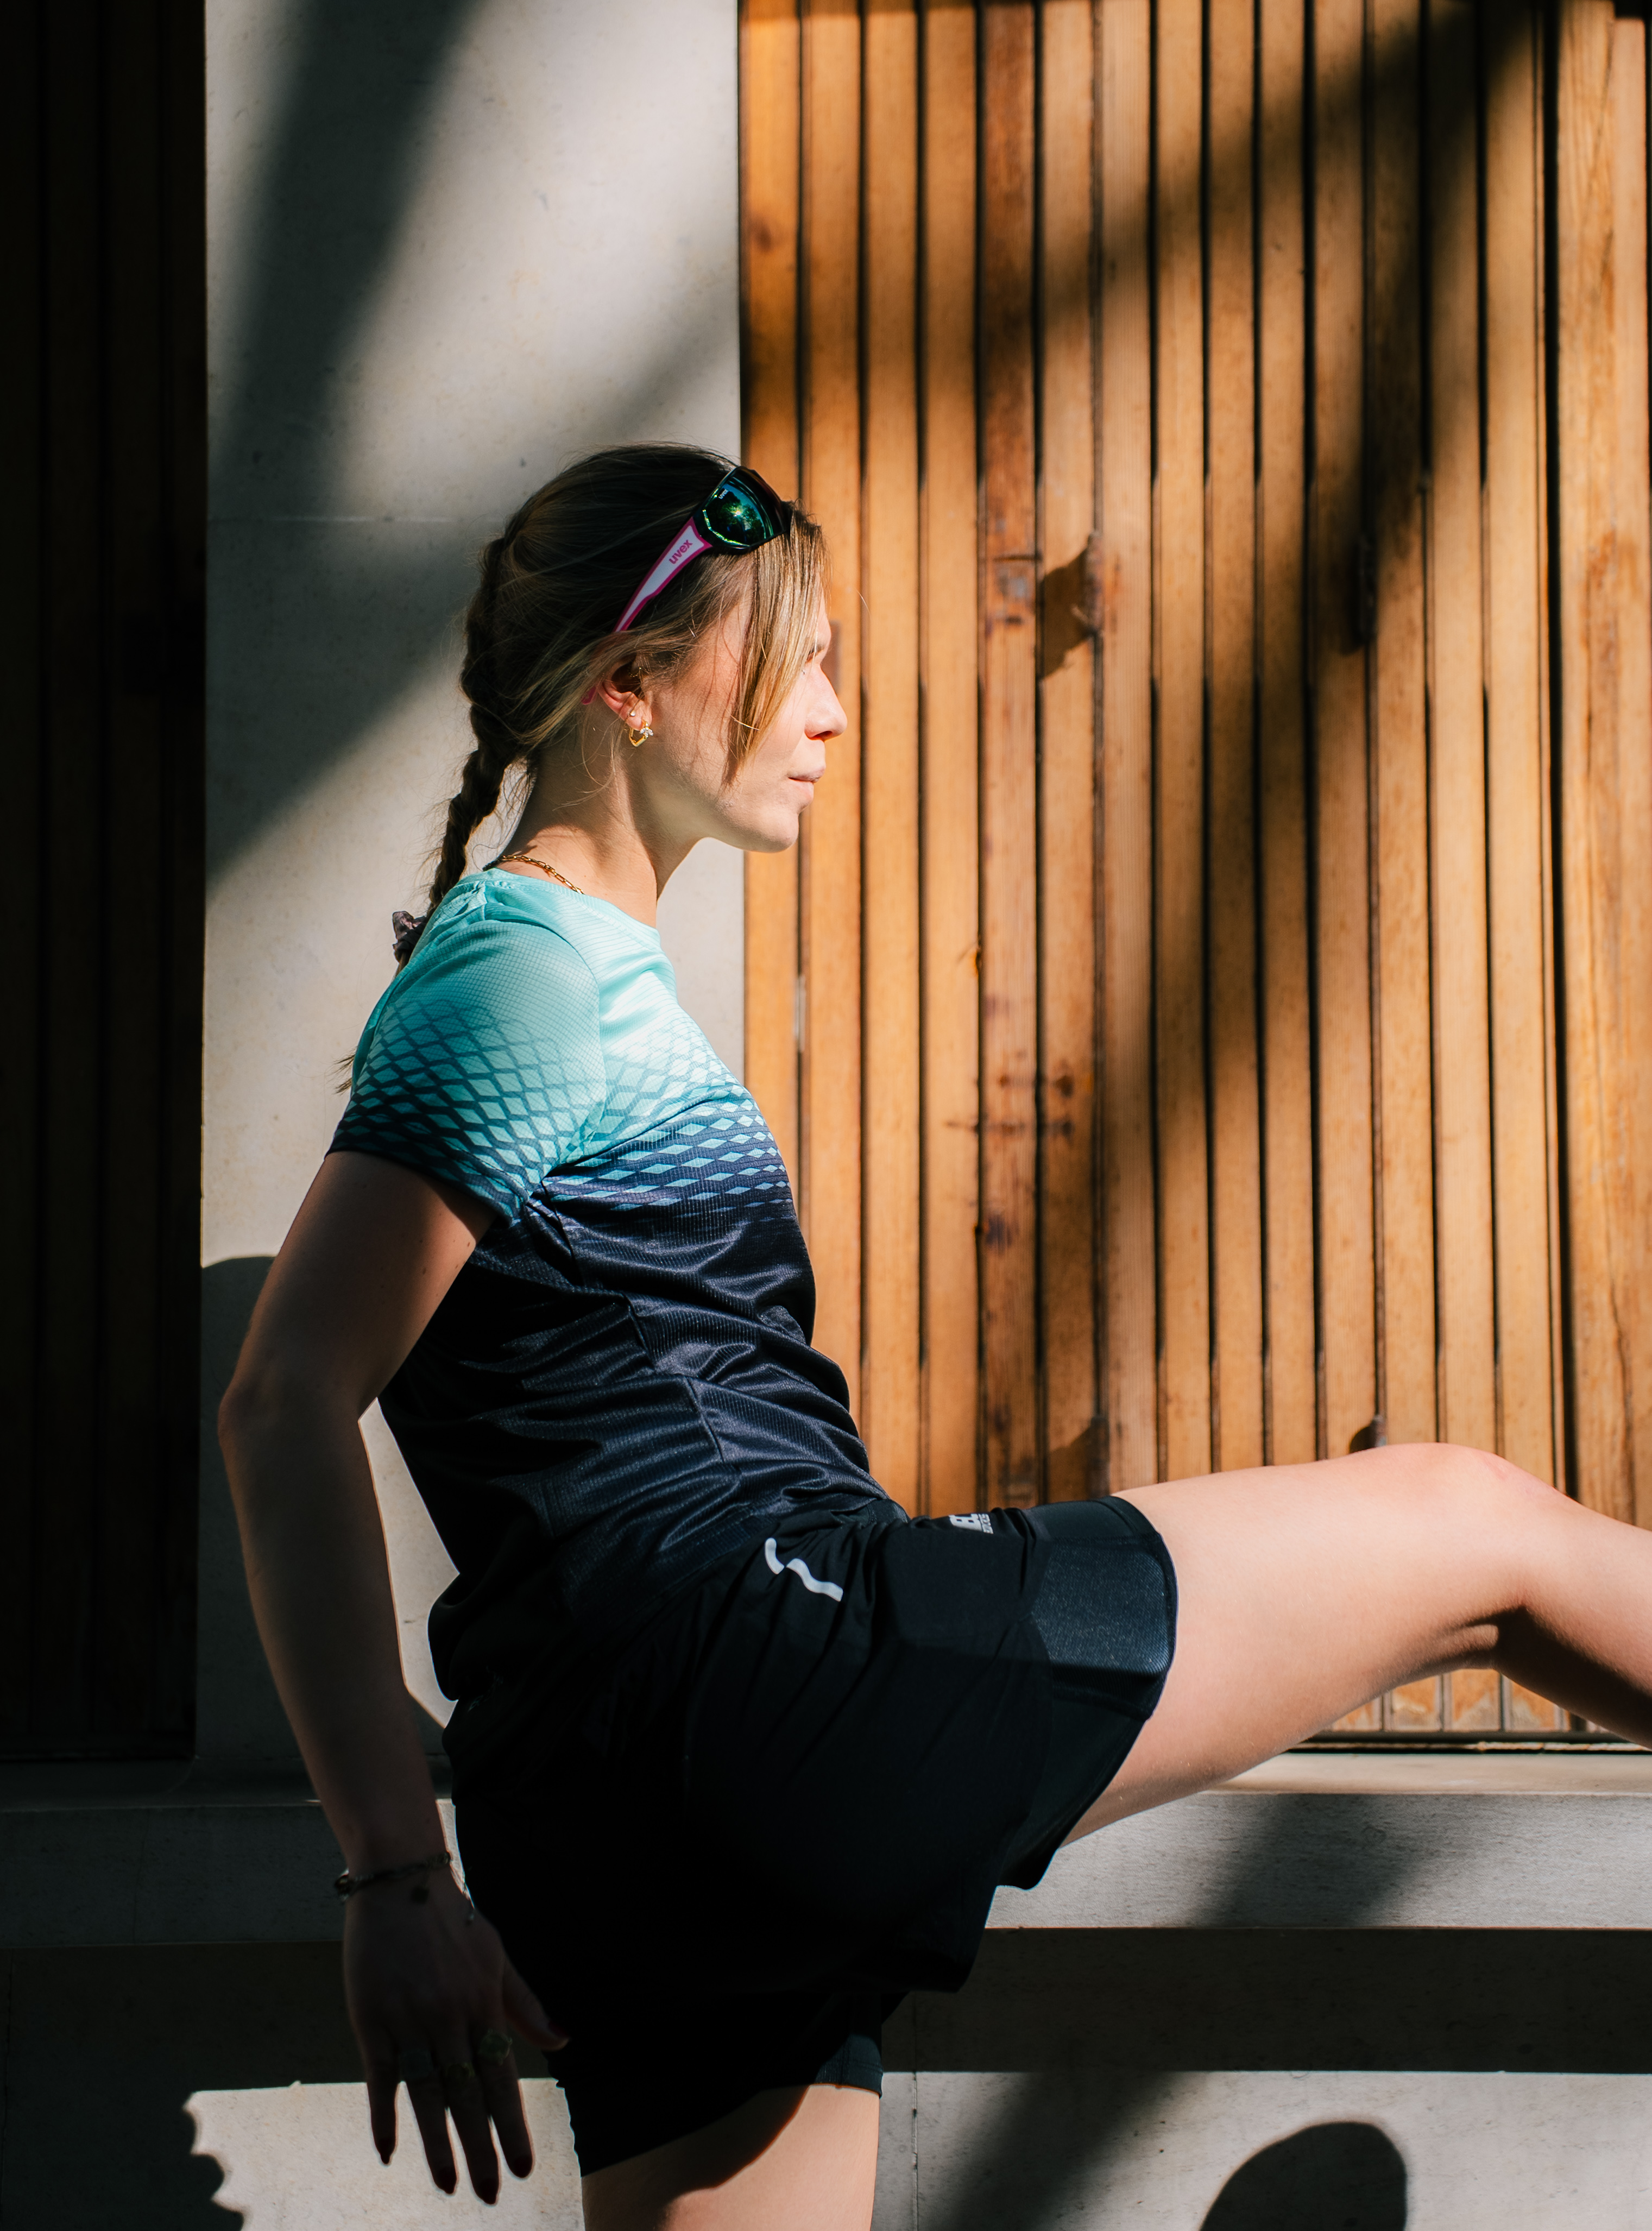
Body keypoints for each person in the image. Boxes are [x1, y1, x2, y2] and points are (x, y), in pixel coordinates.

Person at [221, 442, 1652, 2231]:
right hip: (756, 1673)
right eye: (792, 659)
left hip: (609, 1812)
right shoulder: (523, 969)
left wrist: (422, 1860)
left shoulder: (531, 967)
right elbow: (283, 1397)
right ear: (629, 682)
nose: (831, 710)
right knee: (1473, 1528)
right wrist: (386, 1866)